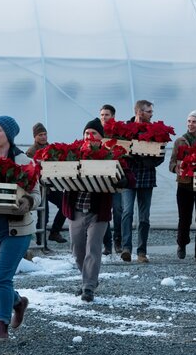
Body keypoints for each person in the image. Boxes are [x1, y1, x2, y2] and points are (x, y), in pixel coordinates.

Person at [0, 116, 41, 342]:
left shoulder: (24, 161)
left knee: (2, 278)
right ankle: (18, 303)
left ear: (9, 136)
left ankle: (1, 327)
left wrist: (28, 202)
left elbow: (37, 195)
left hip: (16, 230)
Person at [62, 125, 134, 302]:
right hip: (76, 211)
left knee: (93, 249)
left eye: (93, 133)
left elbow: (130, 177)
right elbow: (57, 169)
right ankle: (88, 279)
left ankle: (88, 287)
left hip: (97, 212)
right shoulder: (74, 153)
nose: (89, 135)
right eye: (86, 132)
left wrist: (124, 179)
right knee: (77, 251)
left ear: (101, 137)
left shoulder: (110, 155)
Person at [120, 100, 164, 263]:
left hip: (147, 176)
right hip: (129, 176)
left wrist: (147, 160)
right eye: (148, 112)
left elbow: (160, 155)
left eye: (151, 112)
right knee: (127, 212)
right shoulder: (124, 129)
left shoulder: (155, 131)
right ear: (139, 112)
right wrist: (129, 155)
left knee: (144, 217)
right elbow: (115, 148)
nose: (151, 114)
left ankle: (141, 252)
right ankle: (126, 248)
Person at [170, 111, 196, 260]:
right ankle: (182, 244)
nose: (190, 124)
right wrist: (176, 168)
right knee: (184, 218)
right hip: (184, 184)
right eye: (189, 121)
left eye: (194, 122)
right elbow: (172, 163)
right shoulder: (180, 141)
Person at [26, 122, 66, 245]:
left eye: (45, 134)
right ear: (35, 137)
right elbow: (30, 170)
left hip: (52, 185)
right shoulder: (31, 152)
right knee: (44, 214)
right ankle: (41, 243)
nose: (43, 137)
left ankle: (54, 232)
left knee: (65, 205)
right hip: (40, 187)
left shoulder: (52, 149)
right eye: (40, 135)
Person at [98, 104, 122, 255]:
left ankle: (117, 240)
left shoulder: (118, 133)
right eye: (102, 114)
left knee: (118, 210)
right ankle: (107, 244)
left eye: (106, 114)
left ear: (113, 116)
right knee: (104, 211)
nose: (103, 117)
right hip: (101, 177)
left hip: (116, 177)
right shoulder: (96, 131)